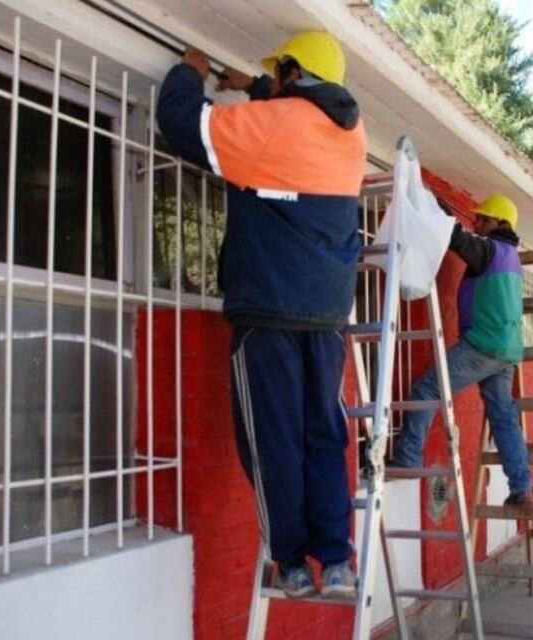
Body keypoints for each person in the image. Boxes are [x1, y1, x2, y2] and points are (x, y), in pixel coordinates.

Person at [156, 31, 366, 599]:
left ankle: (293, 563)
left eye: (282, 75)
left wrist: (190, 72)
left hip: (268, 316)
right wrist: (254, 87)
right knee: (323, 438)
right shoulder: (351, 135)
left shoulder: (274, 126)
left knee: (274, 442)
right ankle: (339, 560)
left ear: (293, 73)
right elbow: (295, 111)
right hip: (326, 321)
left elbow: (180, 122)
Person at [390, 194, 533, 505]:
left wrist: (438, 209)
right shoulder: (512, 257)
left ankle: (407, 460)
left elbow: (456, 239)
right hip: (507, 352)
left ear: (499, 223)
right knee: (504, 418)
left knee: (427, 390)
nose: (477, 223)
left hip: (483, 346)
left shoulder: (488, 249)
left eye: (482, 219)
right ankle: (521, 488)